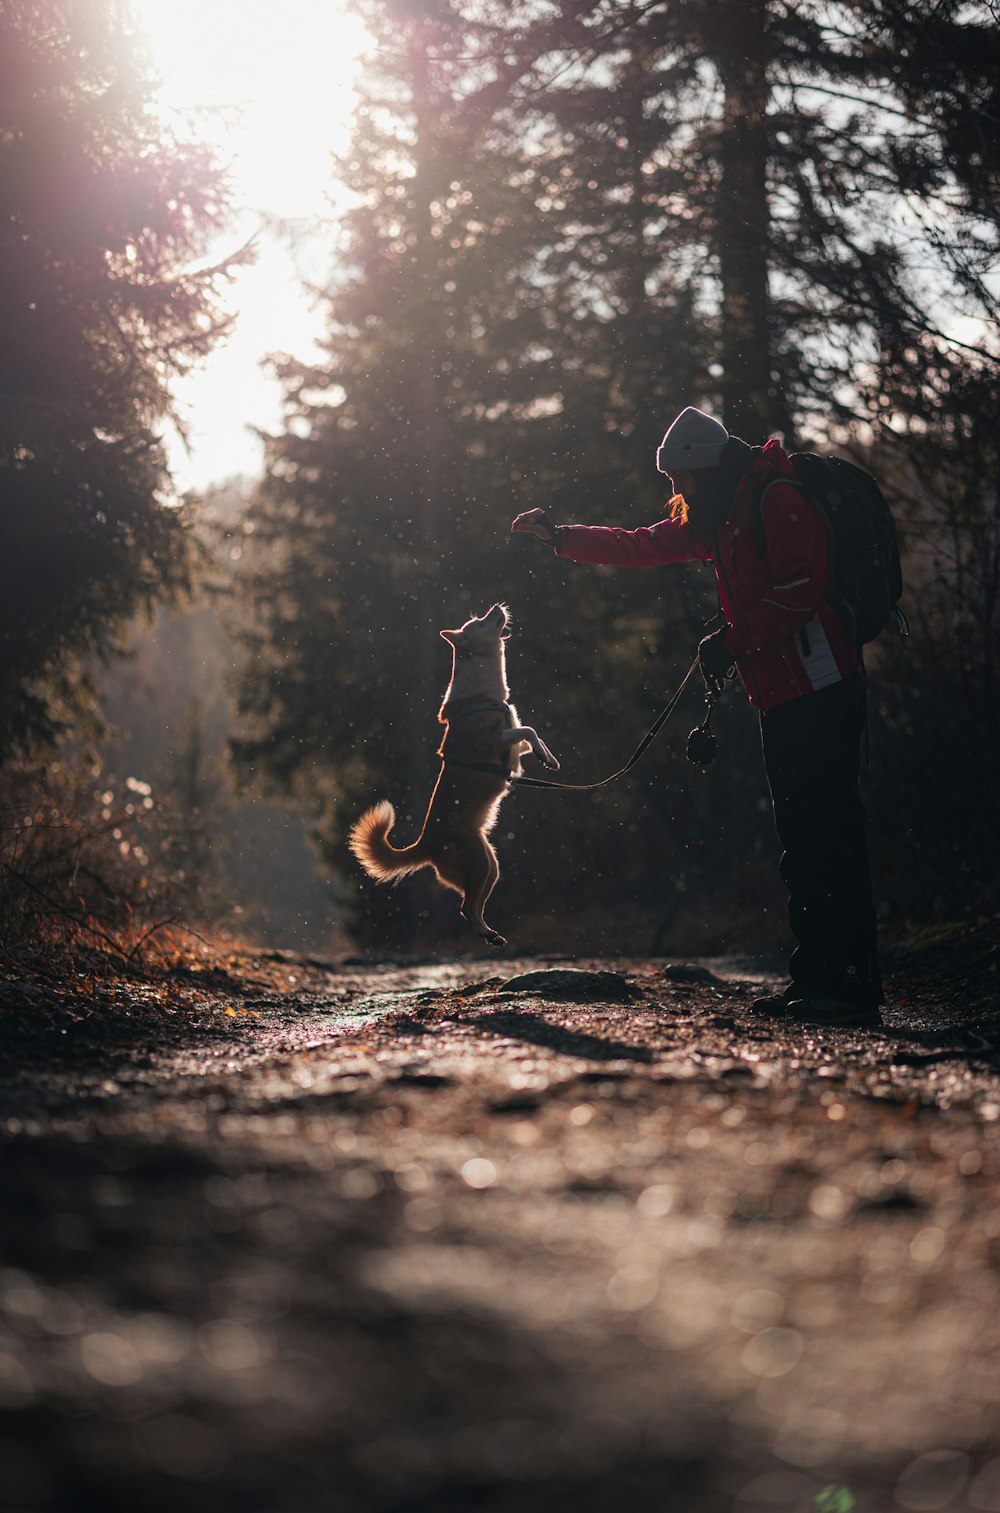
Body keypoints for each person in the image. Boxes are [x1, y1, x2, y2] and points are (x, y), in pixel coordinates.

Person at [511, 405, 884, 1029]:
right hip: (783, 696)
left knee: (828, 839)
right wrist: (563, 537)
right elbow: (642, 544)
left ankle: (849, 985)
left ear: (707, 470)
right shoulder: (723, 514)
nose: (677, 495)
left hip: (824, 689)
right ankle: (818, 979)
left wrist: (734, 641)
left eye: (682, 482)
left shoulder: (776, 500)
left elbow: (801, 588)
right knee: (802, 843)